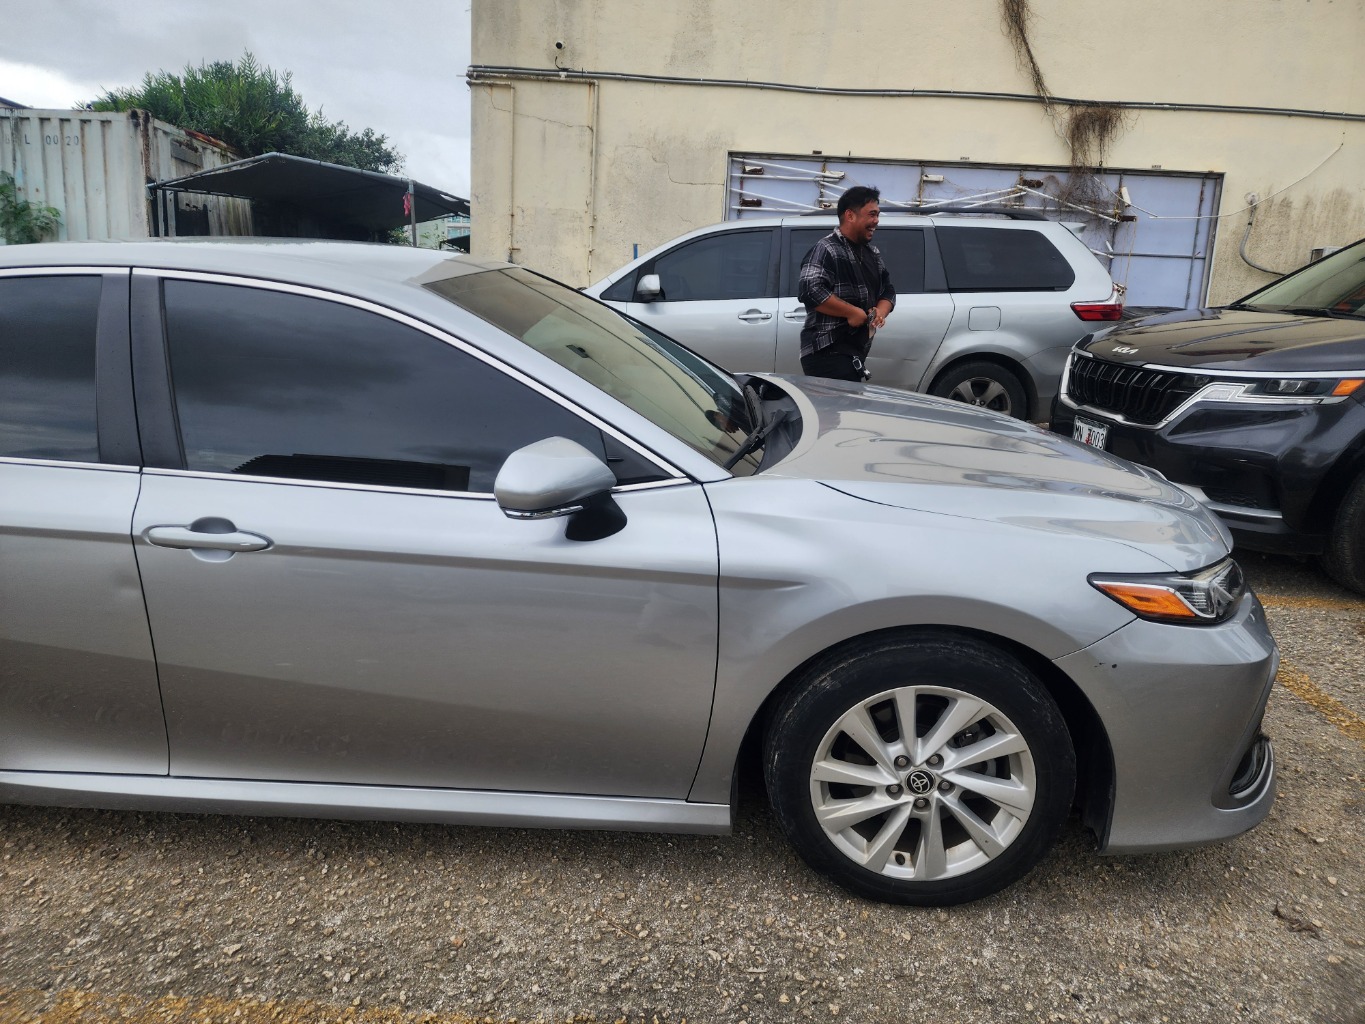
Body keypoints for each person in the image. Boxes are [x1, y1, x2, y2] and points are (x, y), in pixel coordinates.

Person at [796, 185, 896, 382]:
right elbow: (809, 290)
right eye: (872, 214)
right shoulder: (826, 248)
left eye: (877, 215)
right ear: (850, 215)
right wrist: (851, 313)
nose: (876, 221)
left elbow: (888, 290)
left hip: (854, 353)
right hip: (827, 351)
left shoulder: (873, 254)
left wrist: (880, 312)